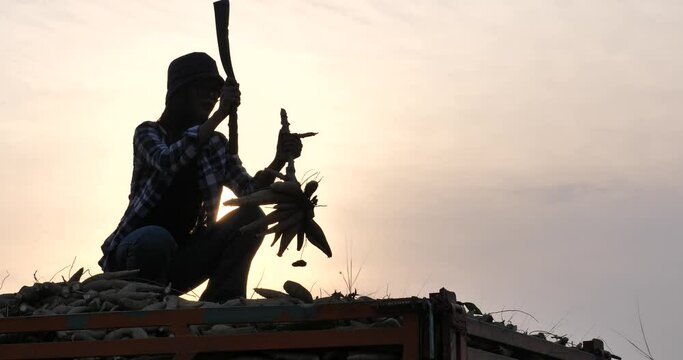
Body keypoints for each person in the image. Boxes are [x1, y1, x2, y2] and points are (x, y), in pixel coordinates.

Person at [98, 52, 301, 302]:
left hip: (181, 260)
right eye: (201, 89)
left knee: (251, 218)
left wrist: (278, 160)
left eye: (214, 91)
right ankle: (145, 305)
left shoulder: (216, 145)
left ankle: (222, 304)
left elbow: (248, 193)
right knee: (155, 239)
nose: (211, 97)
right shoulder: (149, 133)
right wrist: (219, 116)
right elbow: (167, 161)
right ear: (180, 94)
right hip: (135, 256)